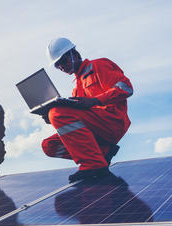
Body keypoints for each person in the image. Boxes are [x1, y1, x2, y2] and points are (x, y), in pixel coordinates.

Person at [41, 37, 133, 183]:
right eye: (57, 65)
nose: (61, 67)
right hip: (96, 128)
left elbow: (126, 88)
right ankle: (101, 153)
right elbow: (75, 121)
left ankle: (93, 164)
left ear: (74, 54)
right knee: (49, 145)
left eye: (63, 61)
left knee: (57, 112)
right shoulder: (77, 86)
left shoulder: (98, 65)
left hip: (113, 122)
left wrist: (96, 100)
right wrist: (51, 118)